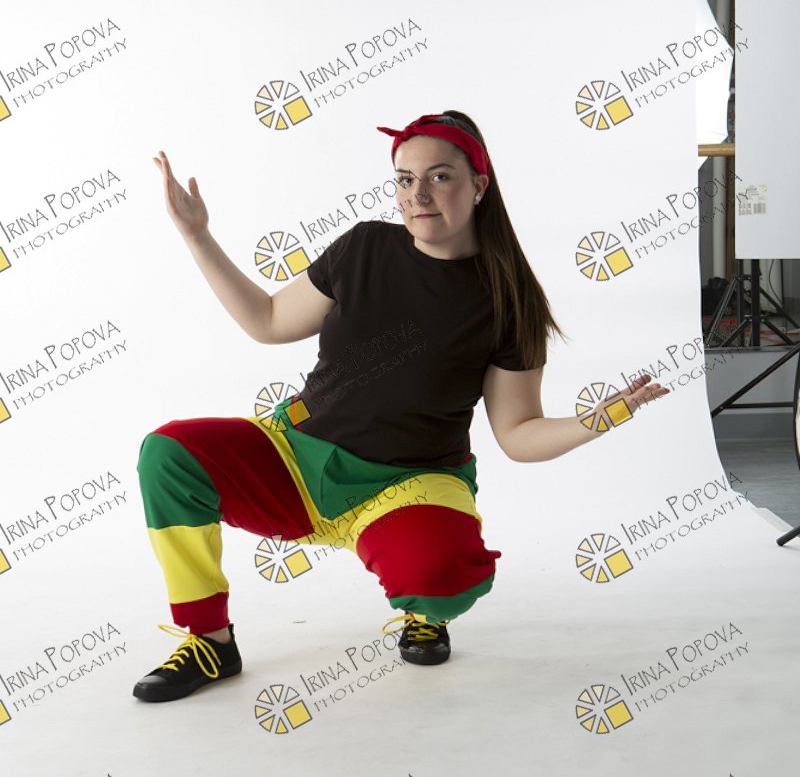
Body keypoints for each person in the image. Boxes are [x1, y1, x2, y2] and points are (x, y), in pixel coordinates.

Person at [133, 110, 668, 703]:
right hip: (298, 457)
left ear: (479, 184)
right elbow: (268, 320)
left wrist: (595, 421)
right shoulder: (363, 247)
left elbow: (518, 432)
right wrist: (197, 235)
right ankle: (210, 642)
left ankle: (424, 611)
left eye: (439, 177)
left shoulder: (509, 300)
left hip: (411, 483)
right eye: (405, 180)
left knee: (442, 578)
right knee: (169, 453)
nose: (418, 195)